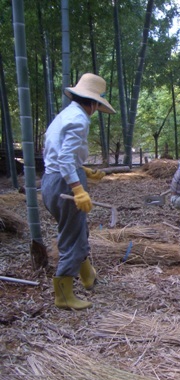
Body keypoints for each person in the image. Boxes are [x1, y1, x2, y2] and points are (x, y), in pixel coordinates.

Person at [41, 73, 116, 310]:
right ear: (93, 102)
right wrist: (78, 188)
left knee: (78, 230)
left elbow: (58, 154)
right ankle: (63, 294)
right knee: (72, 238)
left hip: (51, 180)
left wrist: (84, 170)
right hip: (64, 183)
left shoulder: (65, 115)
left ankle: (87, 276)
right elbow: (64, 158)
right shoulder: (80, 119)